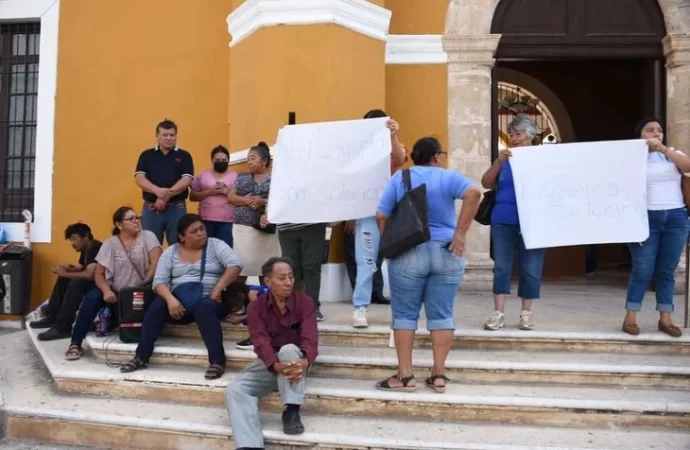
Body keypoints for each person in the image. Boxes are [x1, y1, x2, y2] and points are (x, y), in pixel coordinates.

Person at [374, 137, 480, 393]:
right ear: (437, 156)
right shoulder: (448, 177)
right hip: (447, 250)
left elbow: (380, 214)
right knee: (442, 314)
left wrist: (391, 244)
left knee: (404, 315)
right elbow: (475, 193)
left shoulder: (401, 178)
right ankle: (439, 375)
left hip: (409, 251)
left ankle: (406, 376)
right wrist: (460, 233)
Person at [119, 214, 243, 379]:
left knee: (203, 307)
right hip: (179, 305)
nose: (201, 233)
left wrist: (218, 289)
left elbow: (236, 264)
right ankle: (141, 356)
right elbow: (159, 282)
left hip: (211, 302)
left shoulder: (215, 245)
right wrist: (170, 300)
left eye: (201, 229)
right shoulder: (171, 252)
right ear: (182, 237)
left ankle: (217, 362)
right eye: (194, 231)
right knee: (157, 306)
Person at [225, 257, 318, 450]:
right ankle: (250, 445)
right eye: (282, 278)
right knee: (235, 390)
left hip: (297, 361)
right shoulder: (256, 308)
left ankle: (291, 410)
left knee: (289, 349)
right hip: (271, 363)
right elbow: (260, 341)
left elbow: (310, 338)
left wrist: (305, 361)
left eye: (291, 277)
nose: (288, 282)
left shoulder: (305, 303)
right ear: (267, 281)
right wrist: (274, 365)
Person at [64, 207, 162, 360]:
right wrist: (106, 291)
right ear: (119, 224)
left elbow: (156, 263)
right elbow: (99, 273)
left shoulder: (148, 237)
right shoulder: (110, 243)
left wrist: (141, 286)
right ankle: (75, 343)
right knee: (92, 297)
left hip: (141, 292)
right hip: (116, 294)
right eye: (131, 219)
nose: (136, 221)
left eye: (137, 217)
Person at [623, 118, 690, 337]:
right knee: (642, 269)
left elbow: (688, 166)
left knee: (666, 271)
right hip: (646, 218)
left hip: (676, 218)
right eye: (649, 130)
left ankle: (666, 319)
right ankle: (631, 317)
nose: (656, 134)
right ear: (639, 135)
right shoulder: (632, 159)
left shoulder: (671, 154)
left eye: (659, 130)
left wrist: (663, 149)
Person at [481, 114, 546, 331]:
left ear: (530, 135)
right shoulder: (505, 159)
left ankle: (526, 313)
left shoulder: (542, 157)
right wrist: (499, 162)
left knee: (531, 268)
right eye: (511, 134)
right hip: (503, 218)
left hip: (534, 220)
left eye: (518, 134)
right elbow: (486, 182)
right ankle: (498, 312)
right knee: (501, 266)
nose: (514, 138)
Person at [348, 109, 407, 329]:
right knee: (366, 262)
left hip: (393, 214)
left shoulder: (391, 146)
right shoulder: (356, 150)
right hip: (367, 214)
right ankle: (360, 307)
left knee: (398, 261)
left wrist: (393, 135)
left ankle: (400, 308)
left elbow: (400, 158)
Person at [228, 142, 282, 347]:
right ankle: (238, 307)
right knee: (239, 269)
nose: (250, 161)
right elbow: (230, 197)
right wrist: (247, 200)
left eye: (254, 158)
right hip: (242, 230)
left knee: (265, 271)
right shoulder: (241, 177)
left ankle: (267, 307)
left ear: (265, 161)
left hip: (265, 232)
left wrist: (263, 203)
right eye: (248, 158)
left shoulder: (274, 178)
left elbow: (279, 198)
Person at [31, 223, 102, 341]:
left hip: (103, 284)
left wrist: (66, 273)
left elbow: (90, 275)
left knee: (76, 282)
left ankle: (63, 328)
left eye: (74, 239)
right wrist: (64, 269)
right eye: (70, 240)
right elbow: (79, 267)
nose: (72, 243)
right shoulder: (86, 248)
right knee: (65, 279)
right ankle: (53, 317)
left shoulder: (95, 247)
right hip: (94, 281)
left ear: (86, 236)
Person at [135, 119, 194, 245]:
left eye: (172, 135)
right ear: (157, 136)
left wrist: (166, 196)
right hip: (151, 208)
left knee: (179, 245)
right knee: (150, 246)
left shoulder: (185, 156)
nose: (169, 138)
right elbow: (139, 178)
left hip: (176, 208)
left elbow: (186, 179)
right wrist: (157, 191)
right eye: (165, 135)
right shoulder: (146, 155)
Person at [276, 221, 326, 322]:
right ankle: (291, 307)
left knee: (311, 267)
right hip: (286, 224)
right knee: (290, 268)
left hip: (313, 223)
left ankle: (312, 307)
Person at [190, 145, 238, 247]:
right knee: (206, 251)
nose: (221, 162)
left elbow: (240, 198)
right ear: (212, 160)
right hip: (205, 220)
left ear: (228, 160)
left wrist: (227, 192)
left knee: (225, 251)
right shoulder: (203, 175)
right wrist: (209, 192)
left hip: (228, 222)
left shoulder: (235, 176)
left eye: (224, 159)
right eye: (218, 159)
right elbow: (192, 196)